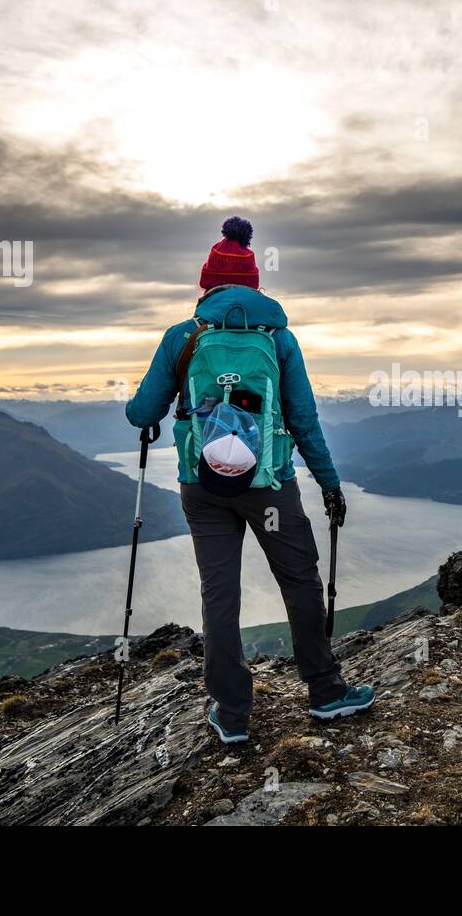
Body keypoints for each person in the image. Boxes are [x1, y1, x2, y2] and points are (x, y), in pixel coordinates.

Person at [125, 216, 374, 744]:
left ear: (206, 283)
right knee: (300, 580)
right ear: (256, 283)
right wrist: (330, 485)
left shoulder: (183, 337)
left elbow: (141, 411)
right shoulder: (279, 340)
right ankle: (326, 692)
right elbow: (304, 420)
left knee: (220, 594)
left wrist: (150, 406)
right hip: (268, 486)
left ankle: (232, 714)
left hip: (203, 486)